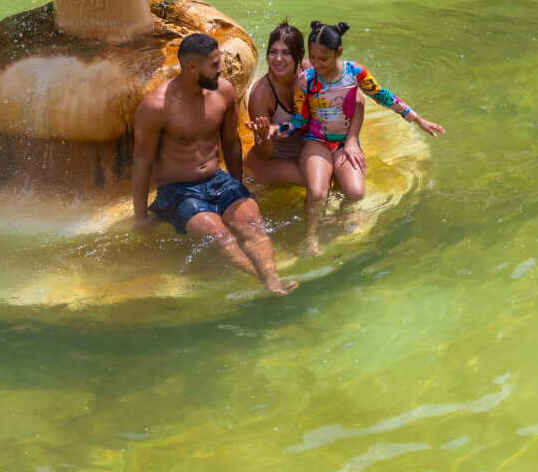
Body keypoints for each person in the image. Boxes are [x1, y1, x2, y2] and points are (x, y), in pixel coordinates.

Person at [133, 31, 291, 293]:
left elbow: (231, 142)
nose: (221, 69)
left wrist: (238, 185)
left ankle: (272, 279)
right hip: (178, 191)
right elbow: (142, 161)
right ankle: (267, 282)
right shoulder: (157, 106)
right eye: (215, 65)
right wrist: (139, 216)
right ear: (192, 67)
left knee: (253, 223)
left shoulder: (223, 92)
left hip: (218, 180)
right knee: (219, 237)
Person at [294, 20, 444, 255]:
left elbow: (382, 95)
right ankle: (310, 235)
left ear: (338, 52)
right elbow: (299, 119)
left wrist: (416, 118)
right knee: (317, 193)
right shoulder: (307, 79)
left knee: (355, 193)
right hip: (317, 140)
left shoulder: (355, 72)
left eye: (323, 58)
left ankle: (338, 217)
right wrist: (277, 129)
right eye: (312, 58)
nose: (317, 64)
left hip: (343, 142)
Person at [243, 21, 311, 190]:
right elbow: (264, 154)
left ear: (300, 54)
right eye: (273, 52)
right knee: (313, 182)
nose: (278, 59)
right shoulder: (262, 94)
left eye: (286, 53)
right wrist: (264, 135)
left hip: (305, 151)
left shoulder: (311, 71)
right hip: (274, 159)